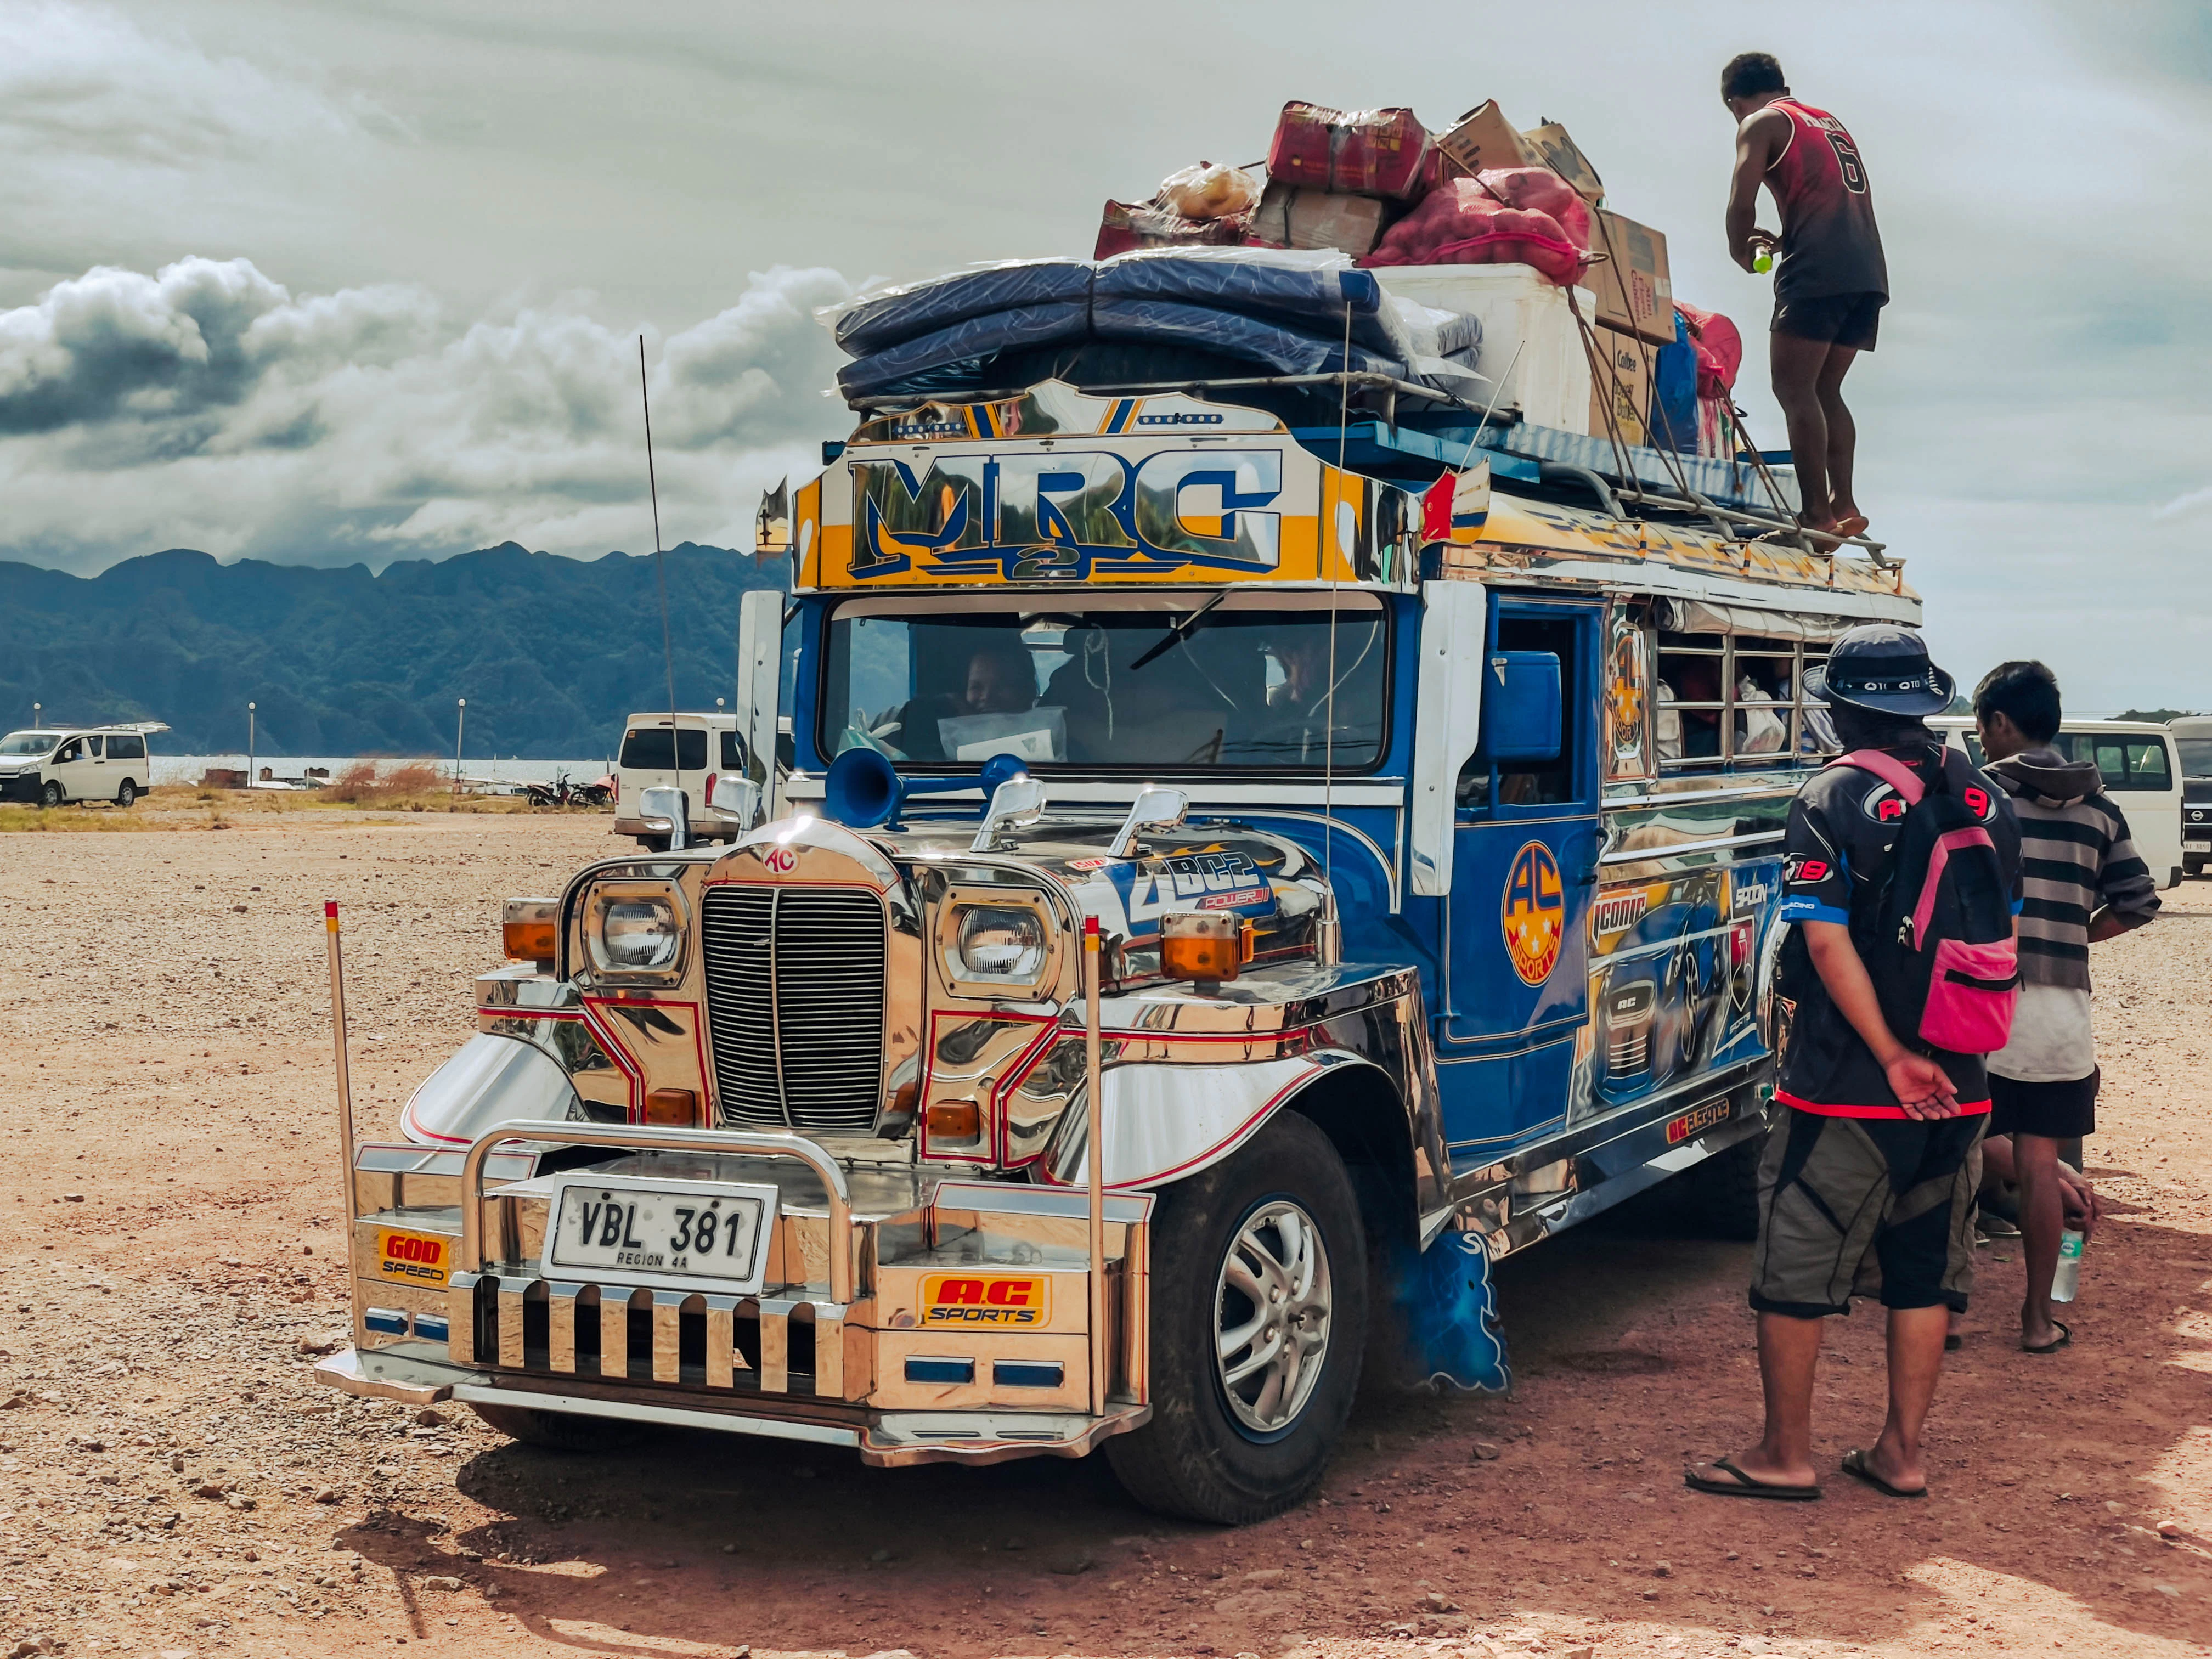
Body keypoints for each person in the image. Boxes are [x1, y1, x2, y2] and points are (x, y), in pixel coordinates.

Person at [1687, 624, 2019, 1503]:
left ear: (1841, 709)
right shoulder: (1982, 792)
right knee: (1923, 1270)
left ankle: (1783, 1455)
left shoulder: (1831, 797)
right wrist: (1942, 1057)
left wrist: (1893, 1058)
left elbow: (1828, 946)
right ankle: (1902, 1454)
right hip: (1965, 1082)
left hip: (1852, 1086)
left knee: (1796, 1267)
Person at [1972, 660, 2158, 1352]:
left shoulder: (1980, 801)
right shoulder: (2101, 810)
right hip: (2062, 1015)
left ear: (1998, 722)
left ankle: (1944, 1314)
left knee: (1956, 1147)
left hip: (1983, 1002)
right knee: (2042, 1162)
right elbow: (2138, 903)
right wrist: (2074, 933)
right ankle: (2037, 1319)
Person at [1721, 52, 1888, 548]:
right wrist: (1782, 238)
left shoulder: (1761, 121)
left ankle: (1816, 518)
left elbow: (1742, 198)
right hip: (1866, 269)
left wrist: (1741, 248)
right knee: (1826, 390)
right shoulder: (1826, 122)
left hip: (1818, 270)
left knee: (1793, 390)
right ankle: (1844, 504)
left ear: (1734, 101)